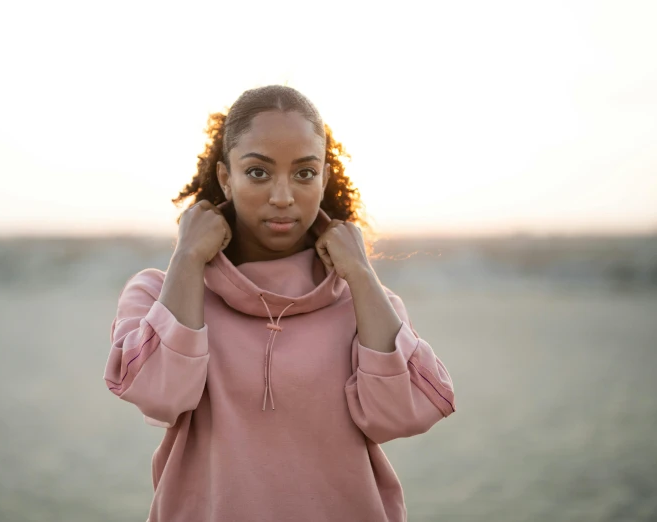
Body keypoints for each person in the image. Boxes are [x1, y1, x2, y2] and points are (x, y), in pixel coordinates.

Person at [104, 85, 456, 522]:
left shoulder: (365, 301)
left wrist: (362, 276)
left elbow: (402, 415)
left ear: (324, 178)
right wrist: (188, 257)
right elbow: (160, 394)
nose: (283, 196)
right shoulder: (157, 293)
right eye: (258, 173)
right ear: (224, 177)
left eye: (305, 173)